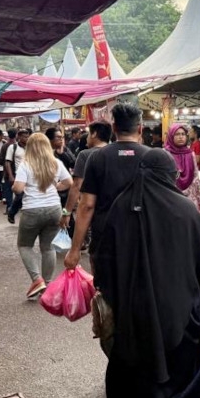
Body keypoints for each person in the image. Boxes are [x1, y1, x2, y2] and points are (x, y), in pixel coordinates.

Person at [92, 147, 200, 398]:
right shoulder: (186, 211)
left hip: (129, 313)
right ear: (169, 175)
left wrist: (111, 295)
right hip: (178, 312)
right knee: (174, 370)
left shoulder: (121, 207)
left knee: (129, 367)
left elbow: (104, 262)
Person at [65, 104, 152, 277]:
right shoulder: (154, 157)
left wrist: (75, 249)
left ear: (114, 128)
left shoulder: (97, 158)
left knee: (105, 290)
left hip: (106, 236)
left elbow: (87, 205)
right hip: (143, 235)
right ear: (140, 128)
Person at [12, 133, 72, 299]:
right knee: (48, 247)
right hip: (54, 208)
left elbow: (18, 188)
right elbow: (69, 182)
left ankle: (37, 279)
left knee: (24, 245)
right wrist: (56, 187)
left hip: (32, 209)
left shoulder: (26, 164)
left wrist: (16, 187)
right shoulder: (56, 162)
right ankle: (48, 283)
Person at [63, 121, 113, 231]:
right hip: (115, 209)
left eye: (89, 134)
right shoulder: (117, 153)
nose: (87, 138)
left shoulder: (85, 154)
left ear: (94, 134)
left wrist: (66, 212)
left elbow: (77, 186)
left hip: (93, 209)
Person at [166, 123, 200, 213]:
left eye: (183, 134)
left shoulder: (190, 153)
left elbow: (195, 176)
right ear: (171, 136)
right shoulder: (165, 154)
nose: (181, 137)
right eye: (177, 134)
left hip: (190, 197)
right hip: (172, 196)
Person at [4, 129, 30, 223]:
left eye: (27, 136)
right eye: (24, 136)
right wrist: (11, 176)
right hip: (18, 175)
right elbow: (7, 162)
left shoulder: (30, 147)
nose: (26, 138)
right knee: (20, 195)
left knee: (27, 196)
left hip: (29, 175)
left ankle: (25, 216)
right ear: (18, 137)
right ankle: (11, 212)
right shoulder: (13, 147)